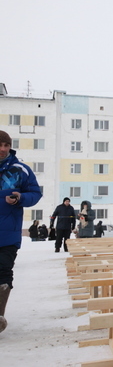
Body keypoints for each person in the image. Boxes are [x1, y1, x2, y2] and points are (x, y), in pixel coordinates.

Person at [0, 130, 42, 333]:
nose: (3, 149)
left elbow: (35, 192)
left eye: (6, 145)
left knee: (3, 272)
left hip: (8, 232)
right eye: (0, 145)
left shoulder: (19, 170)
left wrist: (20, 198)